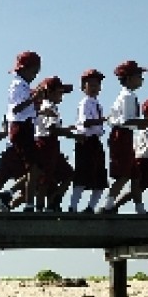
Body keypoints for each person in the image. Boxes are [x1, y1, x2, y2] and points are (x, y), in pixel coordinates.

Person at [103, 60, 148, 214]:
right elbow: (126, 121)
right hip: (122, 135)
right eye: (139, 76)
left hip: (126, 135)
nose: (141, 79)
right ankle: (108, 205)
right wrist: (146, 122)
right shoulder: (128, 97)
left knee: (135, 175)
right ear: (129, 78)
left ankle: (140, 208)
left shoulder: (126, 96)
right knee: (124, 174)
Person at [4, 50, 43, 212]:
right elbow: (16, 109)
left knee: (37, 167)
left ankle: (9, 194)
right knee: (33, 167)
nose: (34, 75)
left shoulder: (24, 85)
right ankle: (28, 204)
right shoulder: (18, 85)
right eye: (34, 71)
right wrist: (33, 99)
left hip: (27, 126)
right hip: (21, 127)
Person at [67, 69, 109, 213]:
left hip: (95, 140)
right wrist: (102, 120)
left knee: (100, 177)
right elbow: (85, 123)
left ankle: (91, 207)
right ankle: (73, 206)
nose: (95, 88)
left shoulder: (97, 103)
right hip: (86, 141)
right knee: (81, 174)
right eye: (90, 85)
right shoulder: (85, 103)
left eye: (97, 85)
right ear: (83, 87)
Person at [33, 76, 75, 212]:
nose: (61, 95)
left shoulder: (47, 107)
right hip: (46, 143)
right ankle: (42, 207)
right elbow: (52, 129)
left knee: (66, 174)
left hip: (49, 143)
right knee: (46, 177)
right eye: (59, 92)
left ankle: (53, 201)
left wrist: (66, 129)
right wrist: (71, 134)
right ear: (49, 92)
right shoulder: (49, 107)